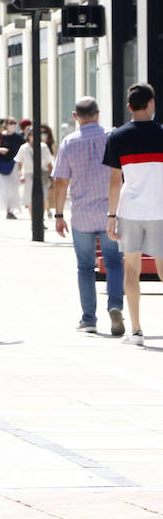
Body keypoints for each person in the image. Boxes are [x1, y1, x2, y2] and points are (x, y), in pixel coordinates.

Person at [52, 96, 123, 336]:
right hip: (109, 212)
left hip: (81, 214)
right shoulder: (111, 136)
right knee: (113, 262)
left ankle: (89, 319)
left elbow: (61, 182)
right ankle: (115, 306)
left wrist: (58, 214)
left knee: (84, 266)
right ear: (98, 113)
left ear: (75, 117)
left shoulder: (68, 143)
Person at [104, 82, 163, 347]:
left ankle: (137, 331)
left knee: (131, 270)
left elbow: (115, 181)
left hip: (130, 211)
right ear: (151, 103)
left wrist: (111, 216)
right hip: (160, 210)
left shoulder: (117, 137)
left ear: (129, 106)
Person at [0, 118, 26, 219]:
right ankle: (7, 209)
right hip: (1, 164)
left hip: (14, 164)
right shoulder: (0, 135)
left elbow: (25, 147)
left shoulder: (18, 137)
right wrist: (0, 149)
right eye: (11, 123)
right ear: (6, 124)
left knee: (13, 188)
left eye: (15, 123)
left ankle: (10, 210)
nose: (13, 125)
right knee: (4, 188)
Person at [17, 125, 56, 211]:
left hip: (43, 174)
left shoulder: (43, 146)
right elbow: (19, 163)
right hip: (28, 174)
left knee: (43, 197)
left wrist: (52, 175)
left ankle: (41, 218)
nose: (34, 137)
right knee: (29, 199)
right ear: (28, 136)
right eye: (31, 134)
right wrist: (21, 175)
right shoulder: (24, 148)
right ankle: (33, 220)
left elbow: (49, 162)